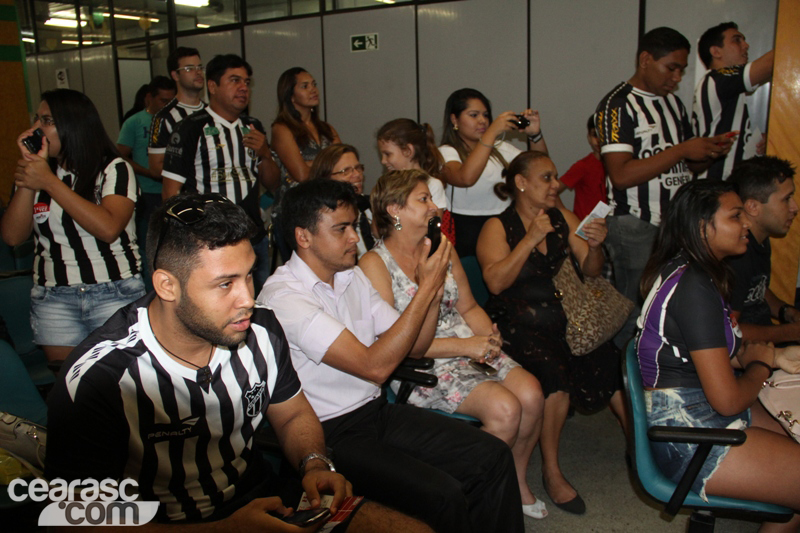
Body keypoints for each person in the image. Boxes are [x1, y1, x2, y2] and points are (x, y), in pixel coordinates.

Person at [44, 193, 432, 532]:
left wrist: (313, 463)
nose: (247, 298)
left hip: (262, 498)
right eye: (225, 283)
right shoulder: (100, 377)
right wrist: (224, 530)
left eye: (249, 276)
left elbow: (293, 414)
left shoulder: (261, 329)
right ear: (167, 286)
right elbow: (73, 519)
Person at [259, 179, 524, 533]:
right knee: (443, 494)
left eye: (354, 226)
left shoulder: (350, 276)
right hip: (327, 433)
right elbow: (375, 366)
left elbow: (413, 345)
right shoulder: (284, 297)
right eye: (341, 229)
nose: (354, 237)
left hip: (375, 412)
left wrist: (432, 292)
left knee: (493, 456)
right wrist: (426, 289)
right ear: (303, 237)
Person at [360, 169, 547, 519]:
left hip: (468, 344)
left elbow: (469, 307)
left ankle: (515, 481)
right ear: (394, 209)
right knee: (506, 410)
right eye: (423, 199)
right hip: (421, 364)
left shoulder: (441, 246)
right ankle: (469, 497)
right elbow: (393, 343)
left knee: (532, 394)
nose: (435, 206)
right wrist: (468, 346)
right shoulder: (374, 264)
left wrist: (489, 338)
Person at [637, 180, 800, 531]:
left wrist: (772, 356)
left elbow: (726, 350)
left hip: (692, 412)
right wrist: (761, 365)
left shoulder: (692, 271)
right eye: (735, 216)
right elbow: (727, 401)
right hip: (691, 436)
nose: (746, 224)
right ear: (702, 228)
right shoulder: (694, 287)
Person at [477, 151, 627, 515]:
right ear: (521, 183)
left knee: (610, 358)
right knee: (554, 373)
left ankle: (641, 447)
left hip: (567, 319)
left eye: (555, 176)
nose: (556, 185)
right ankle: (551, 470)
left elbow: (591, 270)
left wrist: (595, 247)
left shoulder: (562, 218)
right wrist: (529, 240)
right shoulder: (497, 226)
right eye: (546, 178)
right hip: (517, 324)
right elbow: (495, 283)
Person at [595, 26, 734, 348]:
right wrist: (682, 150)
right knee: (635, 308)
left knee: (670, 303)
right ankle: (622, 373)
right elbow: (621, 175)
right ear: (645, 59)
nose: (677, 78)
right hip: (636, 224)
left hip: (675, 224)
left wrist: (707, 152)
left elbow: (687, 166)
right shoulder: (618, 105)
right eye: (671, 68)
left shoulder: (673, 104)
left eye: (681, 70)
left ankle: (661, 363)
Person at [1, 89, 145, 365]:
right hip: (54, 297)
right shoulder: (38, 172)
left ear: (74, 125)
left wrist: (48, 182)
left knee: (118, 381)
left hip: (113, 291)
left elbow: (108, 228)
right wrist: (31, 177)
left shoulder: (114, 168)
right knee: (68, 384)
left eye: (47, 121)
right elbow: (12, 236)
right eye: (36, 119)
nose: (36, 129)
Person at [161, 54, 279, 291]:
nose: (243, 88)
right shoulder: (190, 128)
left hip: (252, 237)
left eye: (246, 82)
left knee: (258, 303)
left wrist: (265, 153)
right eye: (234, 80)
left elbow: (273, 183)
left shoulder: (252, 126)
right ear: (212, 86)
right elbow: (170, 193)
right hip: (210, 242)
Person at [439, 88, 547, 257]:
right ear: (454, 119)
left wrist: (535, 136)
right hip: (465, 229)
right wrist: (491, 132)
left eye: (486, 115)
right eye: (474, 115)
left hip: (504, 225)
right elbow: (465, 178)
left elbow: (541, 169)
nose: (482, 121)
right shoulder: (446, 151)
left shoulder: (501, 148)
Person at [271, 67, 341, 261]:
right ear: (290, 95)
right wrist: (327, 162)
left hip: (325, 211)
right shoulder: (282, 128)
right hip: (295, 214)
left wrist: (311, 162)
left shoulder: (326, 129)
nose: (313, 89)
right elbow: (301, 174)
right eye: (305, 86)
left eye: (314, 84)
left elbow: (343, 163)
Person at [727, 156, 799, 342]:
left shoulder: (759, 238)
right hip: (748, 353)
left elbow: (757, 288)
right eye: (786, 199)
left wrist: (786, 312)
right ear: (752, 207)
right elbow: (727, 332)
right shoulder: (737, 255)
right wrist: (790, 332)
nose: (795, 207)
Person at [693, 22, 774, 181]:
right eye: (737, 40)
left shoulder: (726, 84)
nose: (746, 45)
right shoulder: (718, 78)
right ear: (716, 51)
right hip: (715, 184)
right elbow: (771, 63)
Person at [117, 75, 176, 289]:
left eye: (171, 101)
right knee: (148, 246)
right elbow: (120, 155)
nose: (167, 106)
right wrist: (147, 172)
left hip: (173, 192)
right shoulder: (134, 122)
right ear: (149, 98)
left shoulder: (176, 120)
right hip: (146, 193)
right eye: (163, 101)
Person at [376, 118, 455, 243]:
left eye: (388, 154)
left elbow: (432, 228)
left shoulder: (432, 184)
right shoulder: (387, 185)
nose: (383, 161)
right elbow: (378, 231)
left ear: (408, 151)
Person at [148, 47, 206, 182]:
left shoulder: (212, 111)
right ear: (175, 75)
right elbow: (155, 168)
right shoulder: (163, 118)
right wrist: (197, 169)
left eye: (199, 67)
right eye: (189, 69)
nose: (198, 72)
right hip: (186, 191)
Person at [308, 143, 375, 258]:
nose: (357, 174)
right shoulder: (322, 218)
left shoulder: (372, 204)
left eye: (358, 168)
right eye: (346, 171)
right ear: (326, 179)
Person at [557, 115, 606, 220]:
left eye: (603, 135)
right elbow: (552, 189)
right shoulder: (583, 166)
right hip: (585, 226)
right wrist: (567, 217)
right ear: (589, 137)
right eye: (595, 135)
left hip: (611, 225)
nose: (599, 140)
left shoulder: (617, 165)